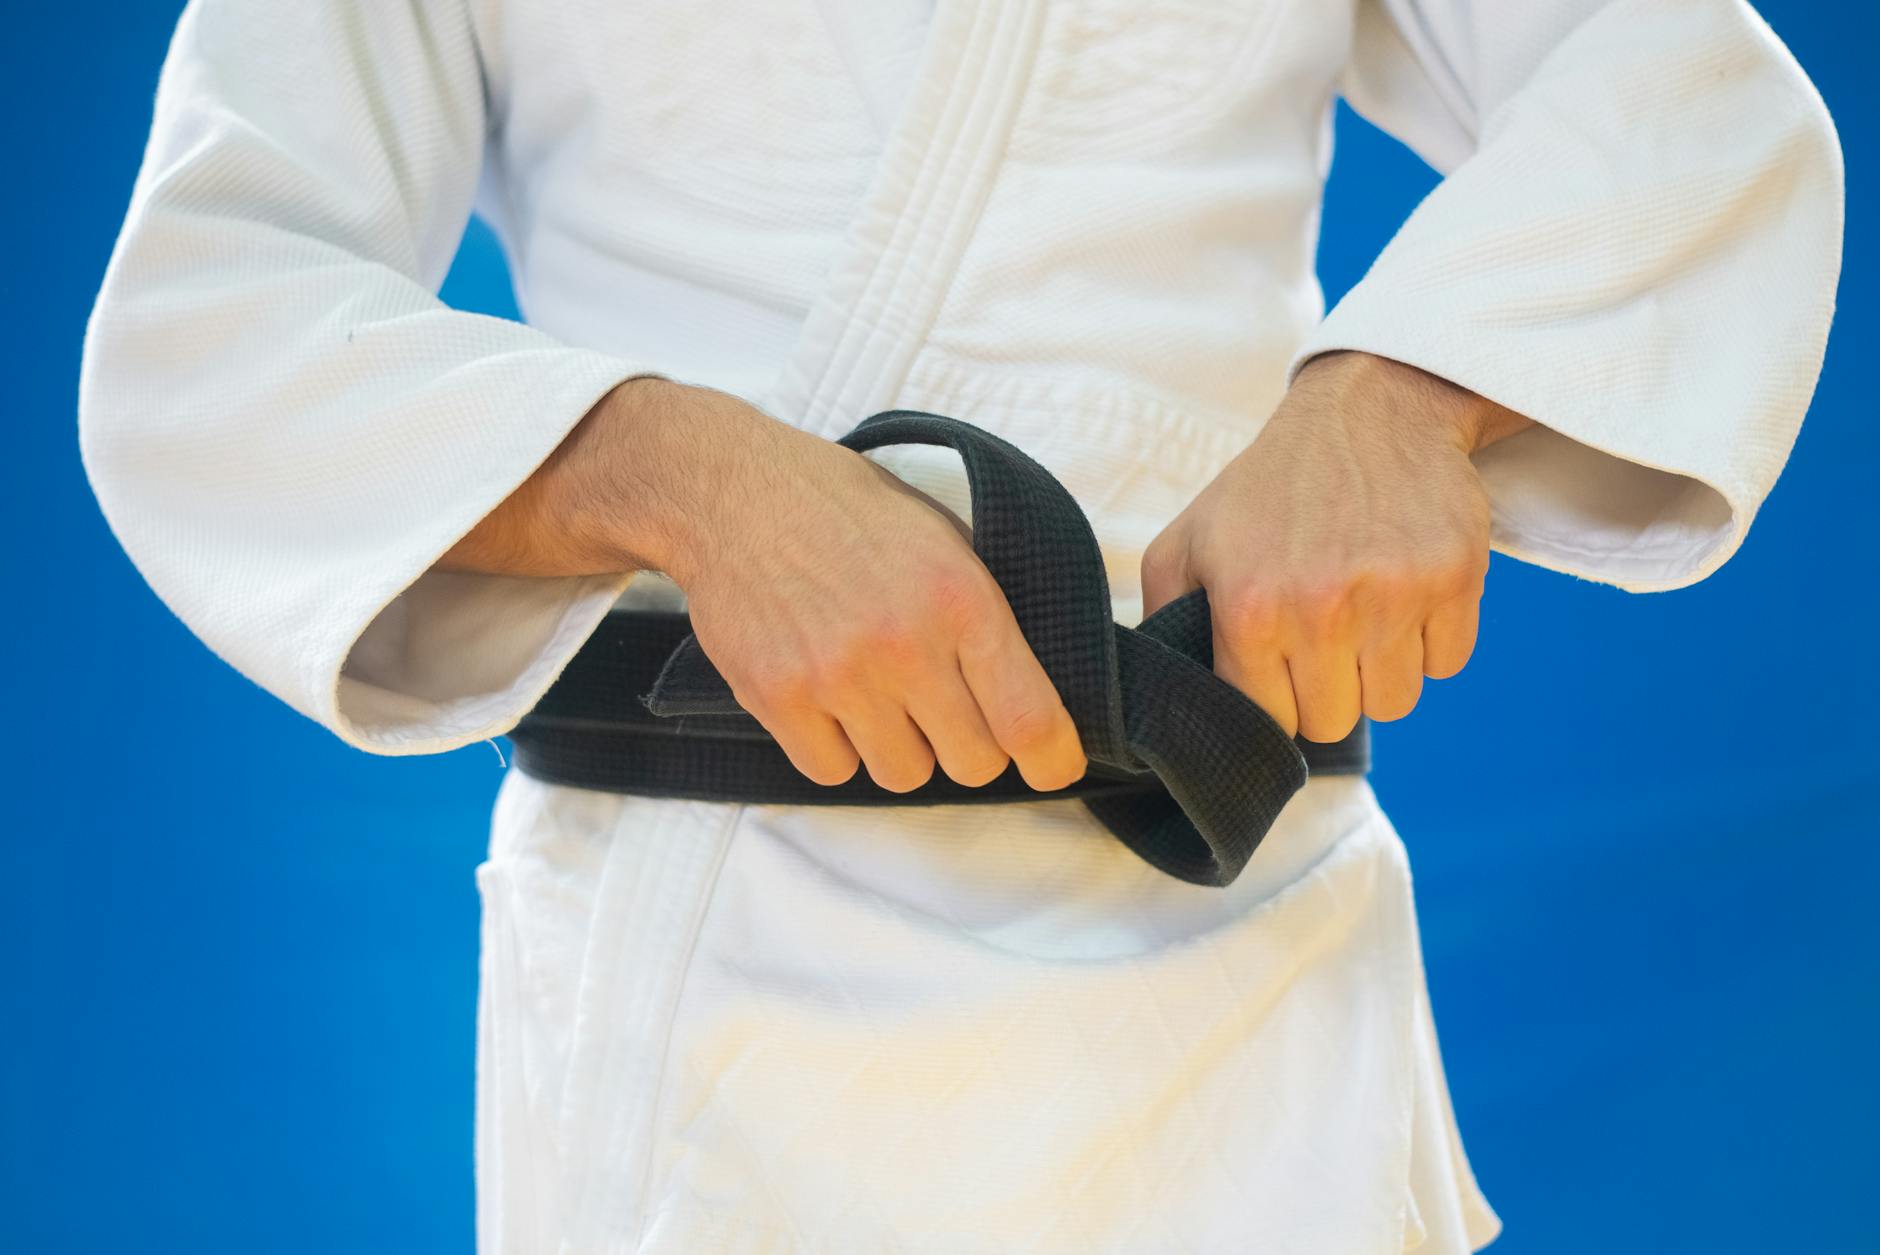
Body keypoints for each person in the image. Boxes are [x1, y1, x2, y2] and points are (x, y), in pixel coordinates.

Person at [78, 1, 1841, 1251]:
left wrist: (1395, 399)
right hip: (710, 968)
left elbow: (1686, 87)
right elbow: (208, 322)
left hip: (1230, 912)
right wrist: (669, 466)